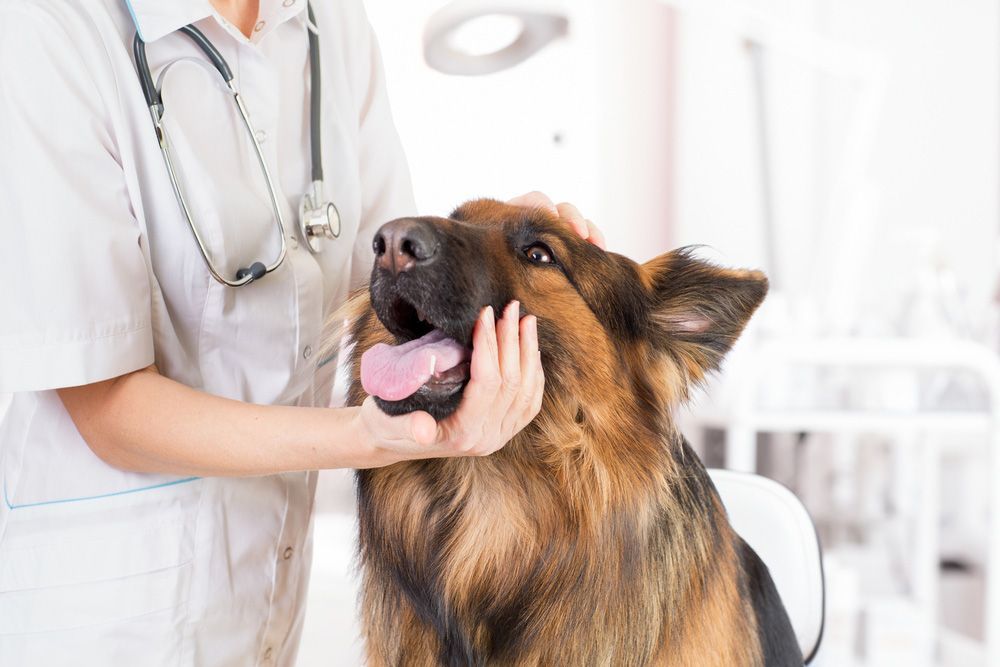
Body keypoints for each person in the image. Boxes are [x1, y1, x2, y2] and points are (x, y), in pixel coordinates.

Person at [0, 0, 605, 664]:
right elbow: (106, 407)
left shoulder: (330, 21)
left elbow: (385, 268)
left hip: (268, 597)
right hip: (105, 617)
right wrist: (364, 437)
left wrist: (493, 247)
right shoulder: (49, 28)